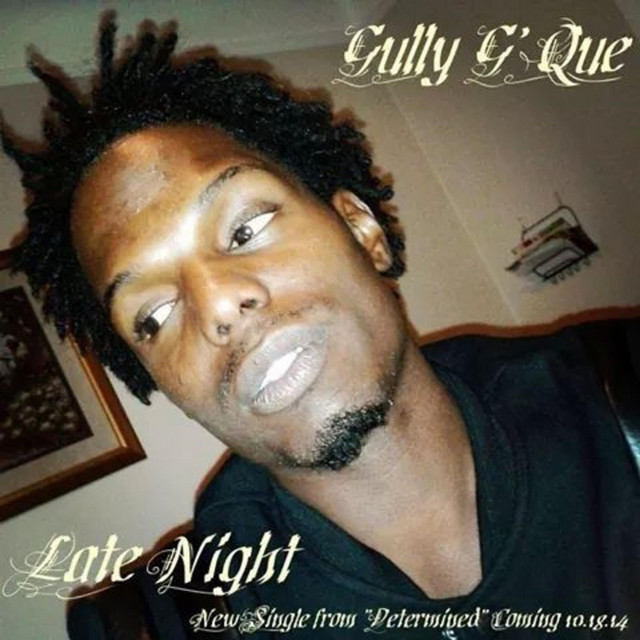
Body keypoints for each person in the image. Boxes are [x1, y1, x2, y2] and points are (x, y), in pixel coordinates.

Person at [2, 18, 639, 640]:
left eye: (246, 229)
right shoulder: (154, 625)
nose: (217, 305)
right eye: (154, 315)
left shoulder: (621, 397)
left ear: (362, 230)